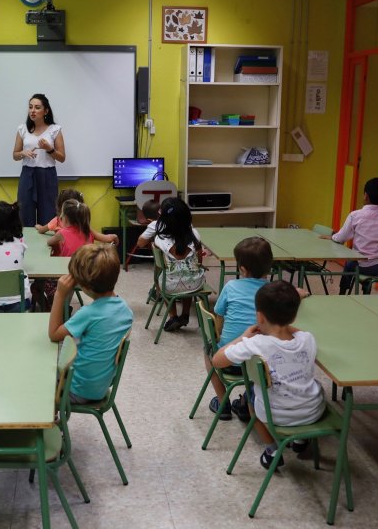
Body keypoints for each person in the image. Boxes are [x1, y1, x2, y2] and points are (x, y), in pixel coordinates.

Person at [211, 281, 326, 471]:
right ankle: (300, 439)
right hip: (313, 411)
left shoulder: (255, 344)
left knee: (251, 398)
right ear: (295, 316)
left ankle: (272, 449)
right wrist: (286, 327)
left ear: (259, 316)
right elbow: (300, 333)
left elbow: (217, 360)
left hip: (275, 416)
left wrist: (243, 337)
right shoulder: (308, 339)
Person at [47, 244, 133, 403]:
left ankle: (50, 417)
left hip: (77, 389)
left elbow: (53, 334)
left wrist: (59, 294)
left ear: (84, 286)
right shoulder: (126, 311)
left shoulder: (88, 314)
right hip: (99, 388)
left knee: (37, 376)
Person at [205, 237, 274, 422]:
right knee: (263, 358)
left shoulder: (231, 286)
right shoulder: (273, 291)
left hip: (230, 361)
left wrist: (220, 339)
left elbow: (219, 318)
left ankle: (223, 403)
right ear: (269, 267)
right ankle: (246, 402)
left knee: (209, 351)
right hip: (262, 366)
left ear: (242, 269)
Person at [138, 197, 204, 332]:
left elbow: (159, 266)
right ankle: (185, 314)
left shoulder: (159, 239)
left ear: (163, 218)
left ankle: (173, 316)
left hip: (169, 286)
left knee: (161, 279)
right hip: (195, 284)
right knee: (189, 274)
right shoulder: (195, 235)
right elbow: (199, 262)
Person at [328, 177, 378, 295]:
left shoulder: (355, 215)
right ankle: (365, 292)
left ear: (365, 196)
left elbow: (341, 238)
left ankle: (342, 293)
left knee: (350, 263)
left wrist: (332, 236)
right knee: (361, 261)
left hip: (364, 266)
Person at [13, 93, 66, 227]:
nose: (32, 111)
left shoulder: (55, 129)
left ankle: (47, 247)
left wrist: (49, 149)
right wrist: (23, 153)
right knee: (24, 215)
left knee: (48, 217)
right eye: (30, 107)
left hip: (47, 175)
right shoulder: (22, 129)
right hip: (27, 174)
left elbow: (62, 158)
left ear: (46, 111)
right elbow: (15, 155)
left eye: (37, 107)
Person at [46, 199, 118, 258]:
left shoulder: (61, 233)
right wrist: (114, 237)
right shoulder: (88, 230)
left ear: (66, 218)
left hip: (69, 270)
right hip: (87, 269)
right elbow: (108, 238)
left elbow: (49, 242)